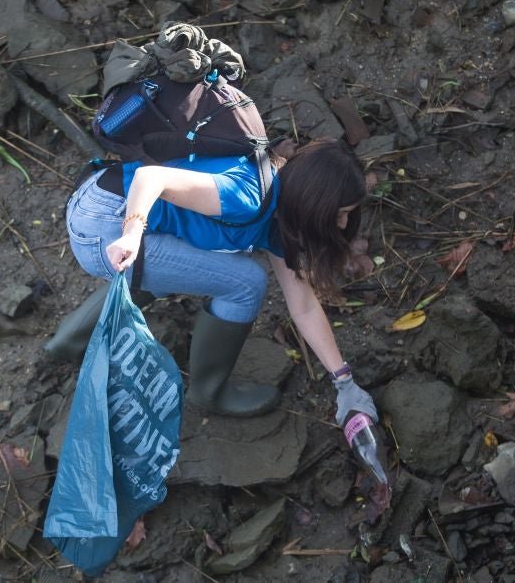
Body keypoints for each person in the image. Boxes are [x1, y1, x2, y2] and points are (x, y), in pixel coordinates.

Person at [45, 139, 378, 423]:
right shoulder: (247, 194)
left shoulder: (279, 210)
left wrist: (345, 383)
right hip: (105, 223)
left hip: (102, 200)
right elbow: (150, 177)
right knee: (246, 283)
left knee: (190, 268)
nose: (344, 222)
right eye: (338, 214)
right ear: (313, 201)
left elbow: (303, 305)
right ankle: (210, 392)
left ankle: (70, 341)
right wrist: (132, 234)